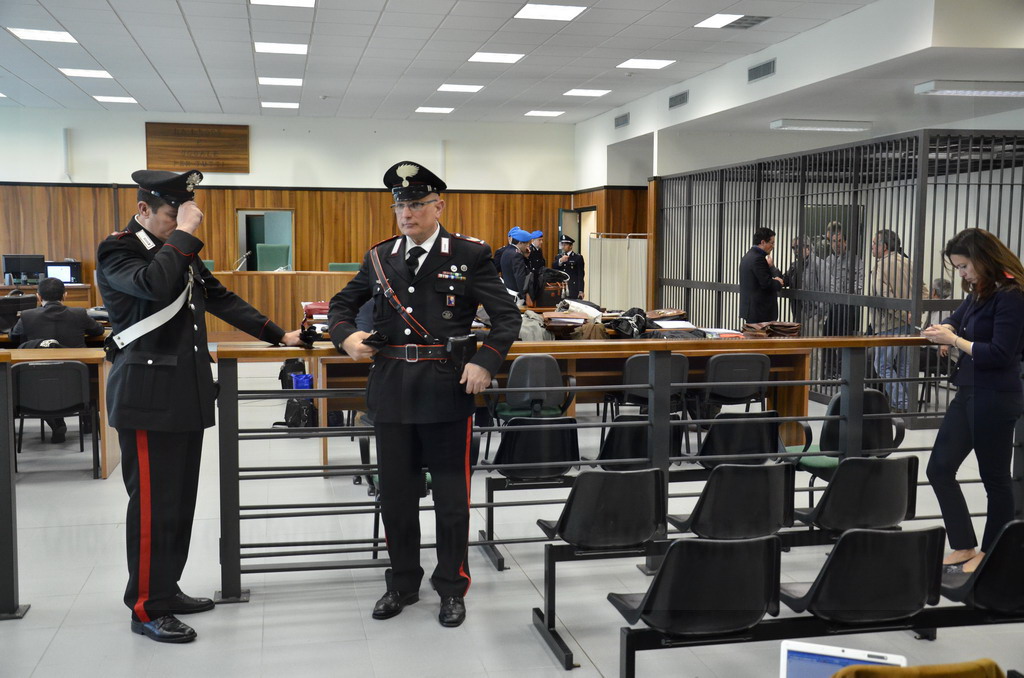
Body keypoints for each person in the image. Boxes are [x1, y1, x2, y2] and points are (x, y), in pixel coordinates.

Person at [96, 168, 304, 644]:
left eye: (185, 215)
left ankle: (166, 589)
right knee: (152, 507)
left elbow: (219, 298)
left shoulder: (178, 251)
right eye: (174, 214)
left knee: (178, 502)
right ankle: (146, 607)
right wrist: (186, 234)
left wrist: (278, 335)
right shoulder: (119, 249)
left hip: (184, 395)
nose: (182, 222)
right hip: (146, 399)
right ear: (144, 209)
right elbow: (152, 286)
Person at [327, 160, 521, 628]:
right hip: (391, 389)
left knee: (451, 501)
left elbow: (507, 316)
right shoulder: (379, 257)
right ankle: (402, 584)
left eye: (416, 204)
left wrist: (486, 361)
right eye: (400, 206)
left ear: (439, 206)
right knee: (396, 498)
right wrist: (346, 337)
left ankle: (452, 586)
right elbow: (341, 305)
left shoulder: (469, 254)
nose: (406, 213)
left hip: (446, 390)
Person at [922, 228, 1024, 574]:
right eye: (958, 268)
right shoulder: (982, 290)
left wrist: (955, 341)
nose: (962, 274)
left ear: (983, 259)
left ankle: (993, 552)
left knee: (994, 478)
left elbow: (999, 353)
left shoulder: (1011, 295)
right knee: (939, 468)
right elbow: (957, 318)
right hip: (968, 390)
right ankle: (964, 545)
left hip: (995, 395)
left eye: (964, 266)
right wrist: (946, 330)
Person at [9, 276, 106, 441]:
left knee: (47, 377)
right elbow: (98, 331)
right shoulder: (79, 313)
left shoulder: (27, 316)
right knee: (80, 374)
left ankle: (56, 423)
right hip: (77, 382)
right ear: (65, 295)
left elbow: (13, 336)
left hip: (37, 383)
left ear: (39, 296)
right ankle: (88, 420)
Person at [868, 229, 924, 413]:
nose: (872, 247)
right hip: (910, 324)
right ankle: (910, 406)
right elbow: (923, 289)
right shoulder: (908, 262)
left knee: (881, 365)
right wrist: (915, 313)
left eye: (874, 243)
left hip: (889, 324)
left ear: (884, 246)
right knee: (904, 366)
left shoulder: (881, 266)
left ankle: (902, 403)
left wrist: (902, 314)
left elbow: (884, 296)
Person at [821, 221, 864, 377]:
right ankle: (830, 371)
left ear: (845, 242)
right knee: (826, 336)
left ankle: (842, 371)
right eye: (834, 241)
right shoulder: (828, 261)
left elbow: (859, 283)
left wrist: (848, 295)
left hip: (847, 305)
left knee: (843, 339)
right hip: (831, 305)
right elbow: (825, 283)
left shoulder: (855, 260)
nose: (837, 244)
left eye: (840, 241)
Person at [738, 226, 784, 323]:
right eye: (772, 243)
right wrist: (778, 282)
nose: (773, 246)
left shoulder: (748, 256)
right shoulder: (758, 259)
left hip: (751, 310)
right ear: (763, 242)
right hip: (760, 312)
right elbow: (766, 283)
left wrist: (771, 267)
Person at [782, 236, 823, 326]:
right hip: (798, 311)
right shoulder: (795, 265)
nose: (795, 251)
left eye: (798, 247)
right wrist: (772, 268)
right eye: (793, 248)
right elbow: (784, 281)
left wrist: (821, 314)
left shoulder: (818, 264)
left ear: (808, 247)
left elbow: (826, 289)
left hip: (814, 314)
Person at [500, 228, 533, 303]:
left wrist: (526, 257)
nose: (528, 246)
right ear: (520, 243)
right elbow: (520, 277)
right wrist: (525, 296)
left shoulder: (507, 251)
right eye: (526, 243)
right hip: (516, 296)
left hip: (508, 292)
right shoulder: (516, 255)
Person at [555, 234, 585, 299]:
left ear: (571, 246)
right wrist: (560, 261)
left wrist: (581, 290)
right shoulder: (559, 257)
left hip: (573, 288)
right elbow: (554, 268)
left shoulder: (577, 257)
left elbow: (580, 275)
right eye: (562, 244)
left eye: (565, 245)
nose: (563, 247)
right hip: (561, 287)